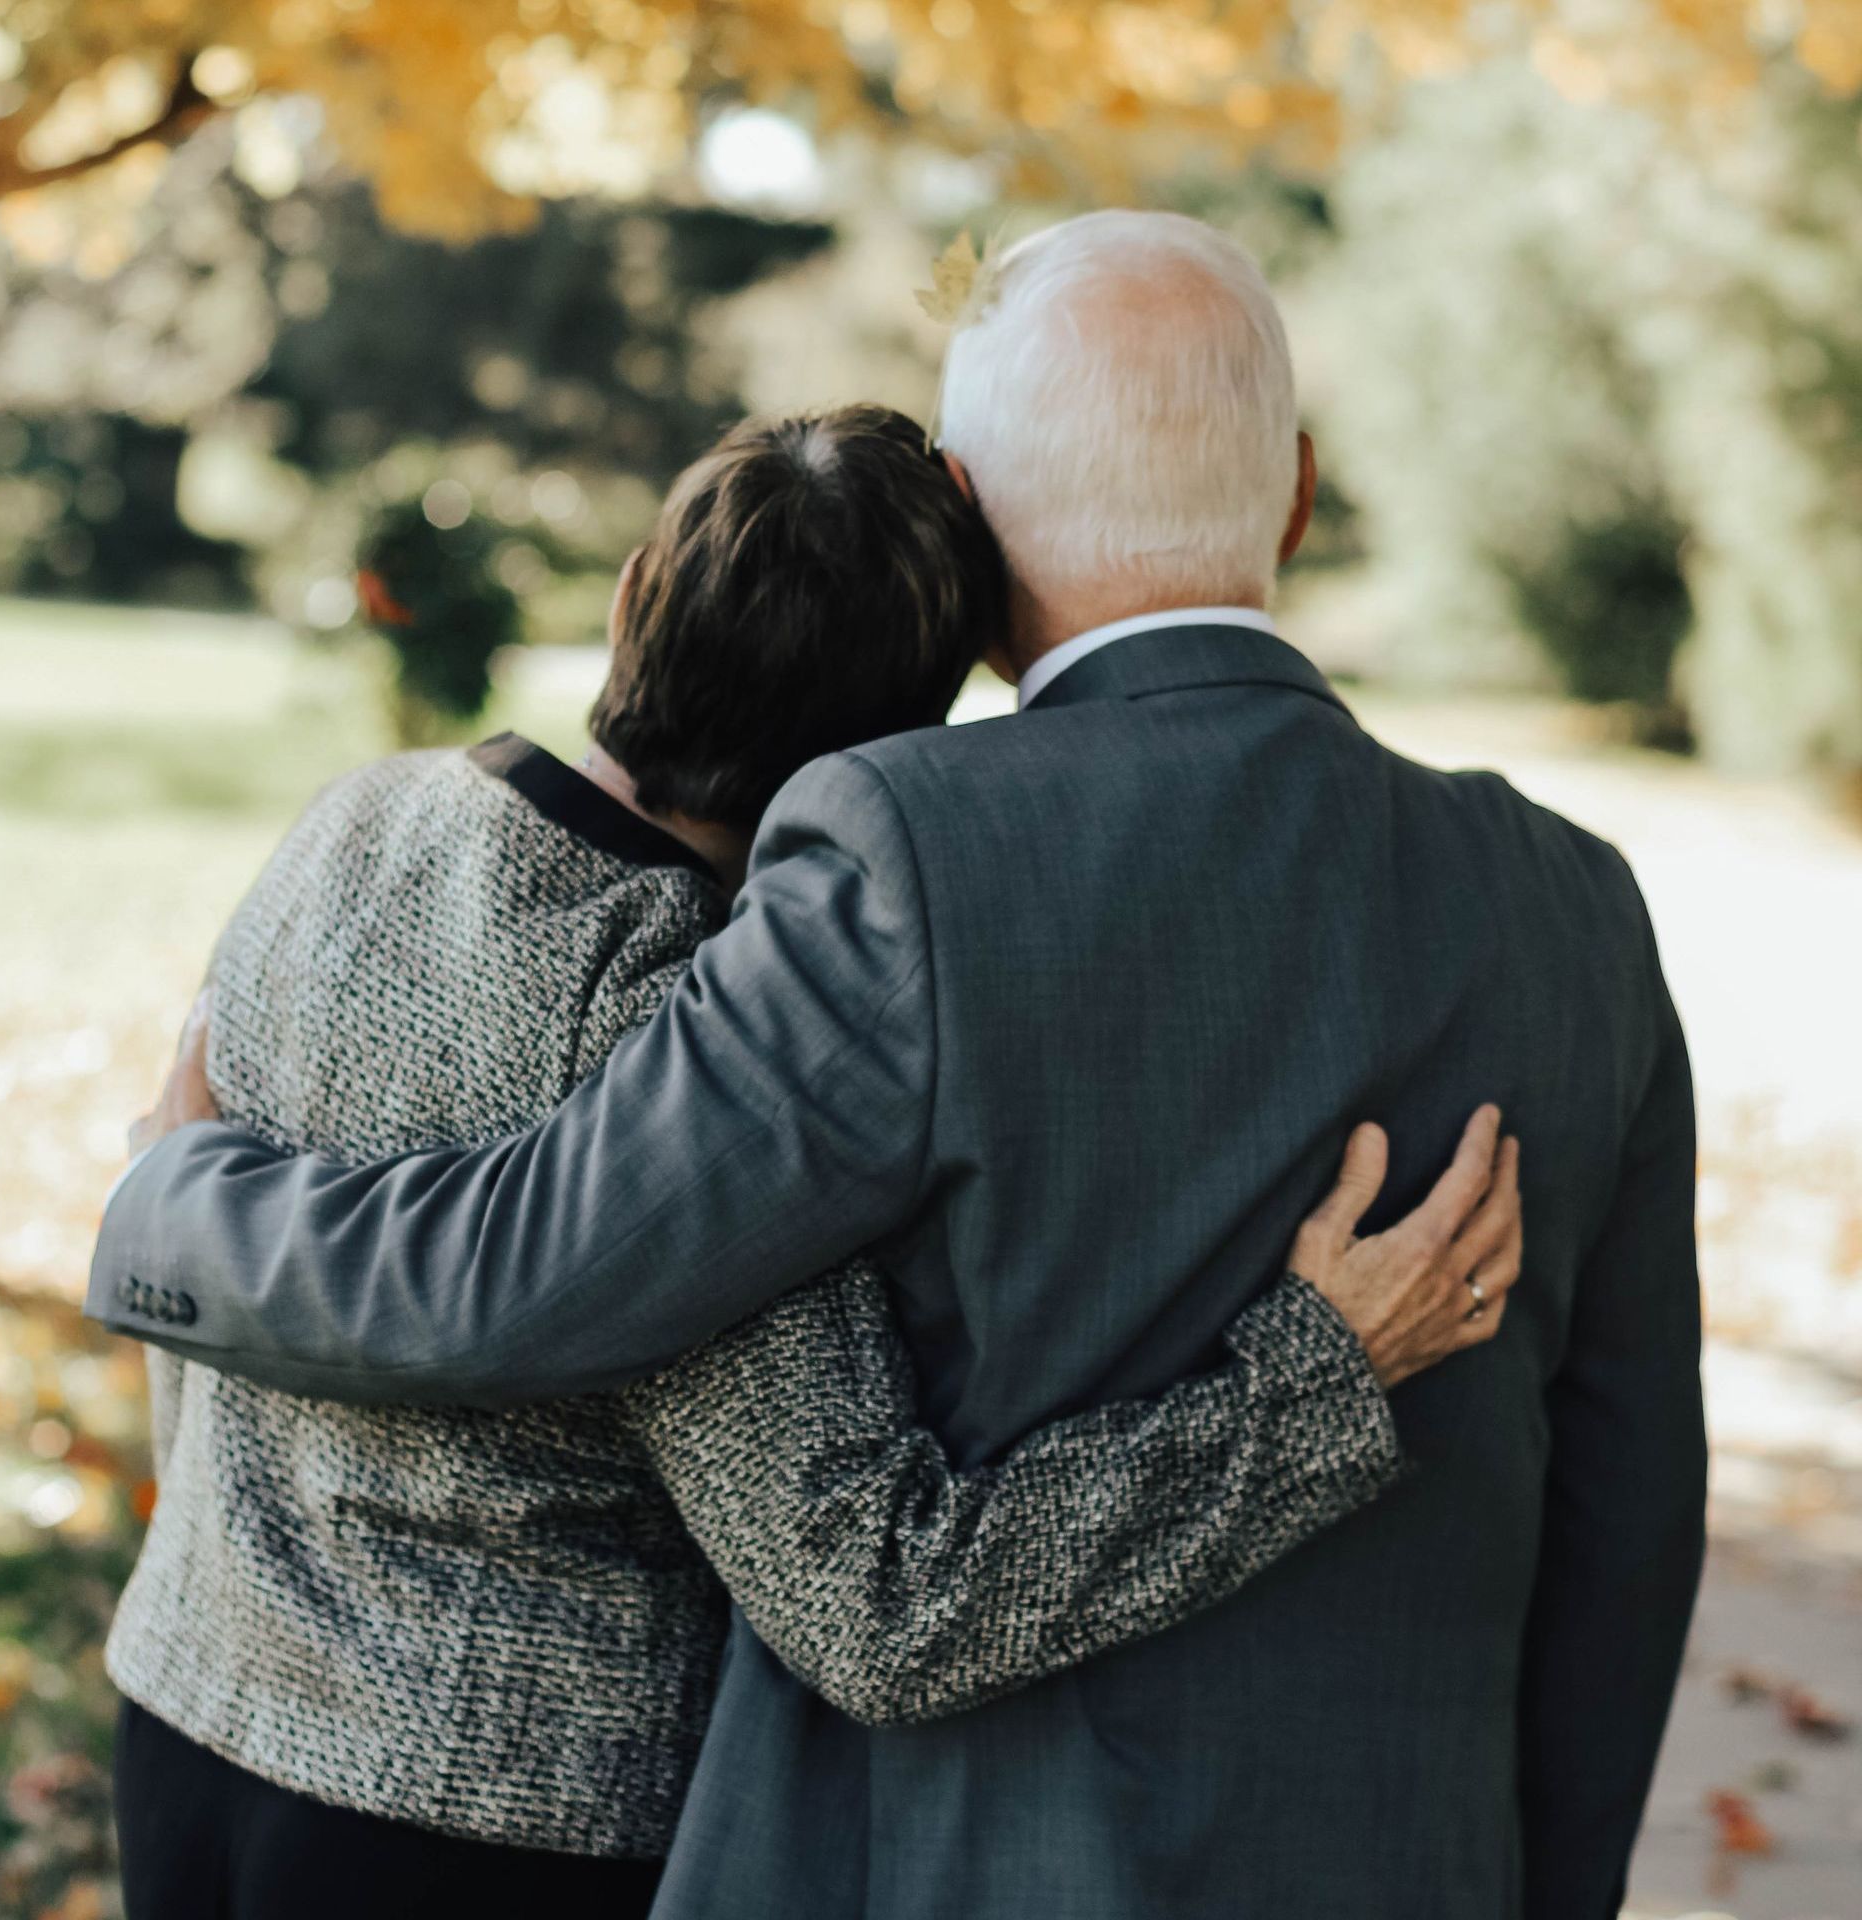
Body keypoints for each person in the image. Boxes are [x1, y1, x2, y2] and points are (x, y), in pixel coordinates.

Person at [92, 211, 1704, 1920]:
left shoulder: (885, 860)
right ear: (1296, 493)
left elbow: (531, 1270)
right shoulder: (1578, 908)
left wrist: (170, 1199)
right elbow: (1629, 1505)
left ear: (983, 524)